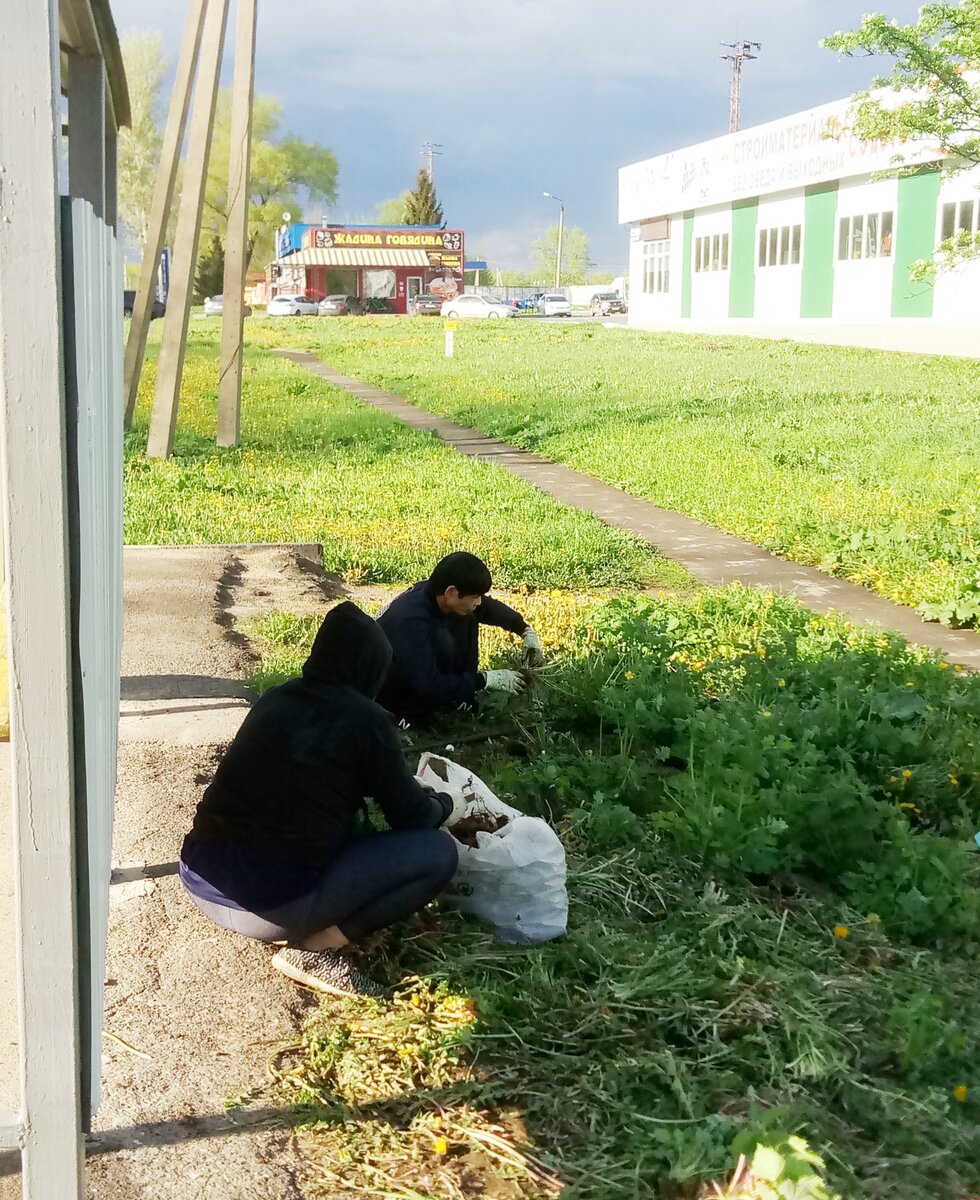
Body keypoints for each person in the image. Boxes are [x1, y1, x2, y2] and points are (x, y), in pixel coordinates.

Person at [178, 602, 464, 998]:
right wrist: (445, 804)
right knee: (437, 853)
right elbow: (414, 819)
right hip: (264, 909)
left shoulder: (276, 699)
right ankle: (314, 950)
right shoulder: (368, 721)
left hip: (199, 875)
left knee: (338, 820)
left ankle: (305, 924)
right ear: (372, 669)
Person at [377, 551, 544, 726]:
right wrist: (484, 680)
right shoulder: (410, 620)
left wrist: (525, 630)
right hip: (387, 686)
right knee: (444, 638)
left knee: (465, 615)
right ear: (452, 592)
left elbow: (487, 608)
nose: (479, 602)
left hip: (417, 668)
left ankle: (457, 697)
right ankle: (409, 712)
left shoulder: (439, 595)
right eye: (475, 597)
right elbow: (429, 684)